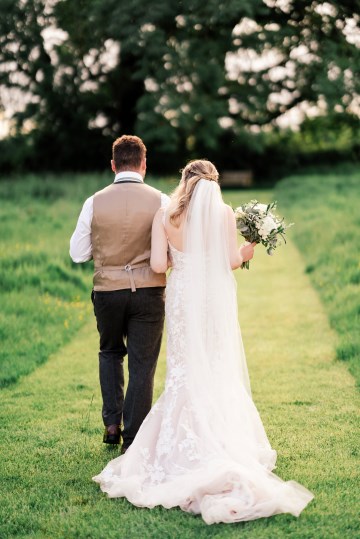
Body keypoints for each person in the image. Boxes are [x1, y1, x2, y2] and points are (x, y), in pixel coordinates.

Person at [93, 159, 314, 524]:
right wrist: (246, 253)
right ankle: (222, 436)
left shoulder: (165, 215)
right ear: (213, 183)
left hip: (182, 297)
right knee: (214, 362)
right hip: (213, 297)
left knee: (183, 367)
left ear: (184, 180)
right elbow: (229, 260)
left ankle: (178, 443)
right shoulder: (225, 213)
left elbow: (161, 267)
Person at [70, 135, 169, 451]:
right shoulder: (162, 200)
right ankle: (134, 440)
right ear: (144, 164)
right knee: (143, 364)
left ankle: (112, 426)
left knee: (110, 353)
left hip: (108, 292)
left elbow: (77, 253)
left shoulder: (94, 201)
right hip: (150, 292)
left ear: (113, 165)